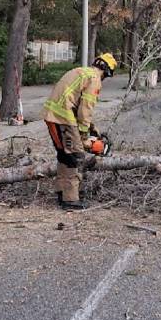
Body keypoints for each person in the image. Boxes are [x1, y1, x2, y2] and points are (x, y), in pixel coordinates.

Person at [42, 53, 117, 209]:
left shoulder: (82, 71)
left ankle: (63, 193)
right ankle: (70, 199)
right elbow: (85, 110)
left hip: (53, 115)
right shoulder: (95, 80)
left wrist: (92, 128)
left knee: (64, 155)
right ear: (106, 71)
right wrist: (84, 136)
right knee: (76, 156)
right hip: (64, 118)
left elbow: (75, 101)